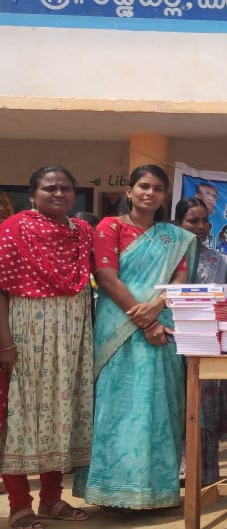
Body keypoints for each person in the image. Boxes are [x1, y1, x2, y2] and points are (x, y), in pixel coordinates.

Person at [75, 164, 197, 511]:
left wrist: (156, 306)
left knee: (158, 407)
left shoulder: (175, 237)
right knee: (117, 406)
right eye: (143, 186)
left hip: (163, 326)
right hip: (119, 326)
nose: (150, 193)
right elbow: (107, 277)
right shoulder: (109, 227)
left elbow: (180, 281)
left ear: (164, 196)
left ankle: (154, 492)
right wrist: (144, 321)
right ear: (129, 191)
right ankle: (111, 492)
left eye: (157, 188)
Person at [0, 166, 95, 528]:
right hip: (27, 332)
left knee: (62, 413)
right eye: (49, 188)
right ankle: (19, 505)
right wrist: (5, 344)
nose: (58, 193)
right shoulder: (14, 229)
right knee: (22, 417)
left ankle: (52, 500)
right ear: (32, 194)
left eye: (65, 188)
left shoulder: (82, 232)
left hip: (73, 335)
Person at [174, 197, 227, 484]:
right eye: (192, 221)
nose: (199, 227)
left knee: (205, 410)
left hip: (205, 345)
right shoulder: (167, 258)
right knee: (174, 407)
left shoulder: (222, 261)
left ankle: (205, 474)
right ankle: (173, 471)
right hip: (168, 343)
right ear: (179, 224)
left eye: (204, 221)